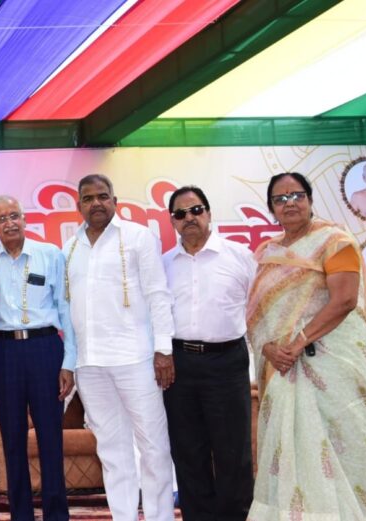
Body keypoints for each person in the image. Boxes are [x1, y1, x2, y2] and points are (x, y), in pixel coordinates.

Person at [247, 172, 366, 518]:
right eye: (280, 199)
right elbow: (259, 316)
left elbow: (344, 301)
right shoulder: (269, 253)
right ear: (271, 209)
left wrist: (298, 343)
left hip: (330, 364)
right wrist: (268, 348)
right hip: (282, 367)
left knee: (345, 443)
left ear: (310, 200)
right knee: (290, 445)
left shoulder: (335, 241)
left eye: (297, 195)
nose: (289, 203)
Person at [62, 174, 175, 521]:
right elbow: (68, 310)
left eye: (102, 196)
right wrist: (70, 363)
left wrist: (164, 350)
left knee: (153, 447)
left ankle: (159, 517)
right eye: (88, 198)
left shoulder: (139, 237)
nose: (96, 203)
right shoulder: (69, 248)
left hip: (136, 359)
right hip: (90, 364)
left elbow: (158, 295)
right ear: (79, 205)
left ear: (115, 200)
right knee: (112, 450)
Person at [161, 186, 255, 520]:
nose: (189, 218)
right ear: (172, 221)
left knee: (233, 451)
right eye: (180, 213)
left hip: (227, 361)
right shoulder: (164, 264)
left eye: (196, 210)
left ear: (209, 213)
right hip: (179, 364)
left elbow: (258, 310)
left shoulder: (240, 256)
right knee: (188, 451)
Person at [0, 196, 73, 521]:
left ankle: (56, 515)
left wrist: (68, 362)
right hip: (4, 352)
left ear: (24, 218)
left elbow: (66, 309)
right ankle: (21, 515)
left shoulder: (50, 254)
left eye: (14, 215)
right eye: (1, 218)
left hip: (45, 348)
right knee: (12, 439)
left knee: (50, 437)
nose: (9, 223)